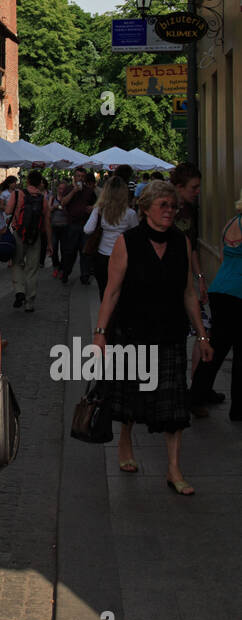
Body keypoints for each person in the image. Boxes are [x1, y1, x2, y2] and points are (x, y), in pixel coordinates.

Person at [92, 181, 213, 493]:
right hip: (132, 332)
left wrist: (201, 336)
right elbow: (112, 291)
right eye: (164, 206)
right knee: (131, 399)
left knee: (174, 405)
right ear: (145, 209)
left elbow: (187, 292)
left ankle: (173, 469)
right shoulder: (127, 242)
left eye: (173, 207)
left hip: (170, 334)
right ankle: (125, 441)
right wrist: (100, 334)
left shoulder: (181, 242)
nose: (170, 212)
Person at [188, 188, 242, 419]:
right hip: (238, 292)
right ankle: (238, 409)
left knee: (217, 347)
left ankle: (196, 395)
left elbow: (222, 256)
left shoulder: (232, 222)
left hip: (221, 288)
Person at [170, 163, 209, 381]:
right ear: (178, 186)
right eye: (193, 187)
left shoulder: (190, 210)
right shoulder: (165, 209)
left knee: (202, 330)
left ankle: (195, 391)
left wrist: (200, 278)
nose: (197, 192)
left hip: (185, 284)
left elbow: (191, 246)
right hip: (168, 284)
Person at [82, 175, 139, 300]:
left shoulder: (99, 210)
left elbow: (87, 229)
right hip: (123, 257)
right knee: (121, 293)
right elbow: (136, 235)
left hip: (102, 256)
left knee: (104, 292)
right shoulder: (130, 213)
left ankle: (106, 317)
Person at [9, 169, 52, 312]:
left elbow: (8, 211)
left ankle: (19, 291)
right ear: (40, 183)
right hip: (35, 237)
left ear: (27, 181)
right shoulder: (43, 199)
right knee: (32, 269)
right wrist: (50, 243)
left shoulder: (17, 194)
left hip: (18, 234)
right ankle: (30, 302)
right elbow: (47, 223)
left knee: (17, 264)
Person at [58, 168, 96, 284]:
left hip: (84, 225)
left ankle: (84, 276)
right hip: (71, 225)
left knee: (85, 252)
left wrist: (92, 208)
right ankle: (66, 272)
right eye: (78, 176)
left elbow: (96, 204)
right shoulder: (69, 189)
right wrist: (74, 191)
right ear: (74, 177)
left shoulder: (89, 191)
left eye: (82, 176)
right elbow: (63, 202)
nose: (80, 178)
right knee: (69, 251)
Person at [50, 179, 70, 277]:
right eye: (60, 188)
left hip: (65, 226)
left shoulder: (68, 198)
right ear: (57, 188)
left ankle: (62, 268)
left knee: (64, 249)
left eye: (63, 189)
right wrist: (55, 207)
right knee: (53, 248)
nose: (61, 190)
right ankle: (56, 266)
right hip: (54, 226)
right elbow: (49, 209)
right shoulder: (53, 198)